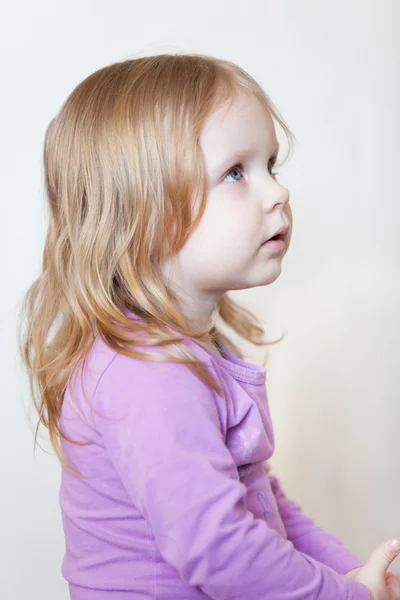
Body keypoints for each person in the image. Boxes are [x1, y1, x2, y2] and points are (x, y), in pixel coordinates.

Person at [18, 52, 400, 600]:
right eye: (237, 173)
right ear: (141, 211)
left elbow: (263, 503)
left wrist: (353, 576)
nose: (278, 193)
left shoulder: (189, 348)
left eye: (272, 165)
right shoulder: (144, 371)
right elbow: (221, 549)